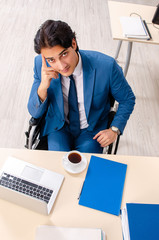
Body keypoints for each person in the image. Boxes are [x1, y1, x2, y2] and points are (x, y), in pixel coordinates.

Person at [28, 19, 135, 153]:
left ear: (74, 43)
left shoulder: (106, 67)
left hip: (92, 130)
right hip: (58, 127)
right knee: (57, 165)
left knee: (87, 167)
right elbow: (34, 111)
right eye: (51, 60)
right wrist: (43, 86)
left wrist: (114, 129)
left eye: (64, 54)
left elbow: (127, 99)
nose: (61, 66)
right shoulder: (41, 65)